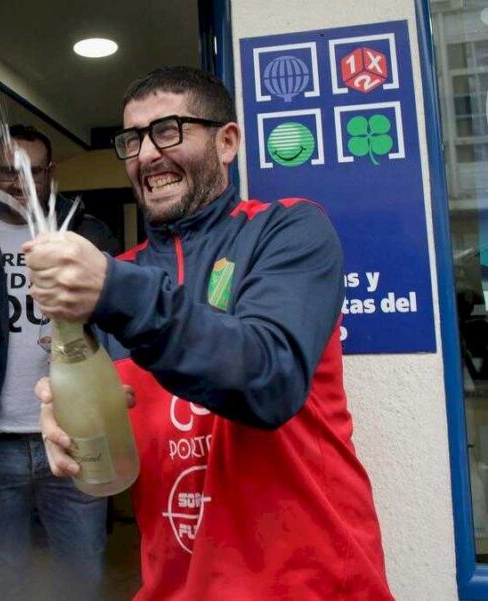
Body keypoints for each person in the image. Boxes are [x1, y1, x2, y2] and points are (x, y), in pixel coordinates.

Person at [28, 67, 395, 600]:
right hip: (177, 586)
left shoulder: (287, 229)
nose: (147, 154)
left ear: (227, 142)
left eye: (169, 130)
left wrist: (114, 290)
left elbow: (268, 378)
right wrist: (64, 415)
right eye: (132, 140)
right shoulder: (118, 282)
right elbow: (116, 421)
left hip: (310, 585)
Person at [0, 124, 118, 598]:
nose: (21, 184)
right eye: (8, 173)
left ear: (51, 173)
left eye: (32, 172)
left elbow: (120, 328)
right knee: (3, 576)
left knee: (82, 571)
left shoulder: (87, 237)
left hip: (75, 438)